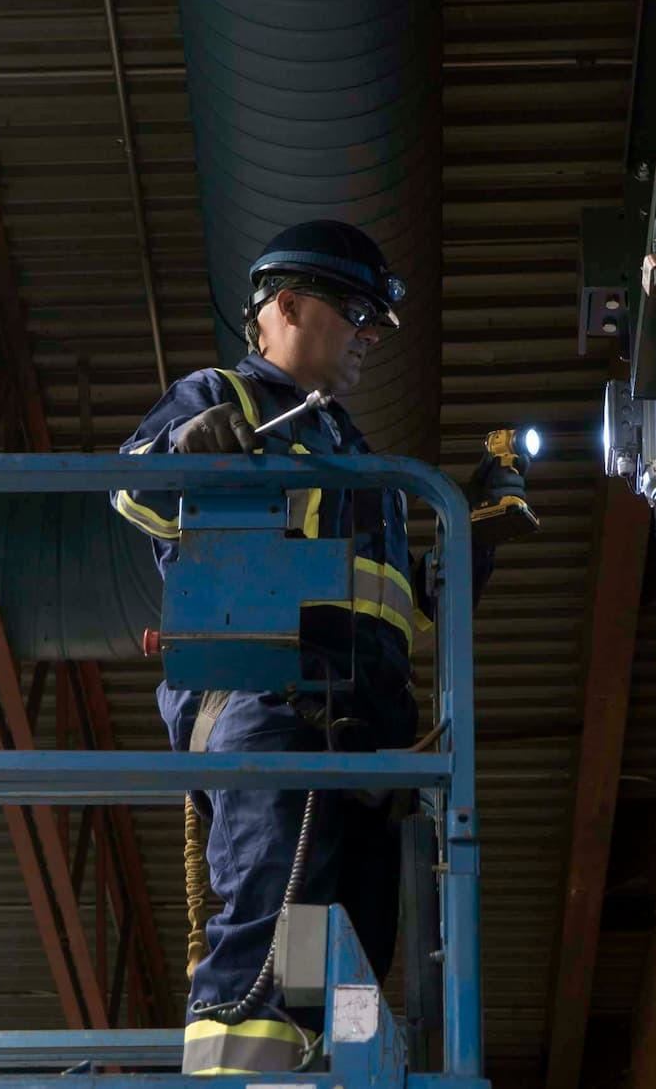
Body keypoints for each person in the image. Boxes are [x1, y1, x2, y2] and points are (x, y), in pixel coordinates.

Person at [112, 219, 524, 1075]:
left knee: (350, 953)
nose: (370, 336)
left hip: (367, 739)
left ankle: (334, 1071)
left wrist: (468, 545)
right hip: (268, 711)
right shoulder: (222, 397)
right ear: (287, 305)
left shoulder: (363, 465)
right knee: (269, 914)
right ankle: (239, 1072)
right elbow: (133, 485)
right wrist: (191, 452)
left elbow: (400, 616)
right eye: (356, 311)